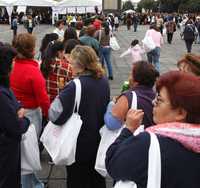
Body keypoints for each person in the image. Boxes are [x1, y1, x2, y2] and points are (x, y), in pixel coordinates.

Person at [106, 71, 200, 187]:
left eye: (159, 100)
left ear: (180, 113)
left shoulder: (148, 143)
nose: (153, 102)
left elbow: (113, 163)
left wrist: (128, 129)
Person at [49, 45, 110, 188]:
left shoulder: (74, 86)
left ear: (80, 65)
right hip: (98, 139)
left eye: (71, 62)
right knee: (96, 179)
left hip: (78, 142)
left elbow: (54, 115)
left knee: (77, 179)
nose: (69, 64)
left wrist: (60, 95)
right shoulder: (103, 80)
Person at [10, 33, 50, 188]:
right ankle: (28, 184)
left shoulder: (11, 65)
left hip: (14, 110)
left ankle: (34, 182)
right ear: (31, 50)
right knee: (28, 152)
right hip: (31, 114)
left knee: (23, 151)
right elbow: (43, 98)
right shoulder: (32, 71)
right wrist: (50, 115)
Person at [0, 43, 30, 188]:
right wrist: (24, 120)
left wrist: (17, 109)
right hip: (5, 150)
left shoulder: (4, 85)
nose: (14, 65)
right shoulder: (1, 93)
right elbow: (15, 126)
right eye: (12, 62)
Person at [104, 61, 157, 131]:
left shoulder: (127, 98)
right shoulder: (157, 97)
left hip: (130, 139)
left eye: (131, 75)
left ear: (136, 80)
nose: (129, 77)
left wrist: (111, 104)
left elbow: (112, 124)